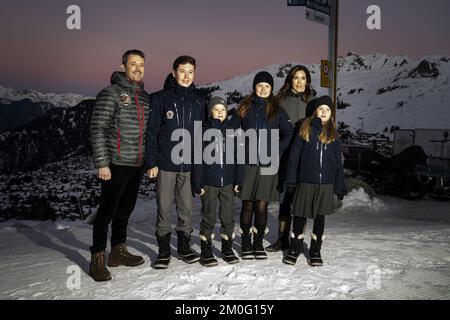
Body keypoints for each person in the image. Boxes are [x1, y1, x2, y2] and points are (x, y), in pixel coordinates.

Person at [89, 49, 150, 282]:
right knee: (106, 213)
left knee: (125, 211)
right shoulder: (110, 93)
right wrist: (102, 163)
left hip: (136, 164)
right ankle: (97, 257)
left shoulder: (144, 97)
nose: (138, 68)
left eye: (141, 64)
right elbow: (98, 129)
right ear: (123, 66)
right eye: (133, 64)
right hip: (115, 164)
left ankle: (118, 251)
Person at [145, 55, 206, 269]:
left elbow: (200, 136)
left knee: (186, 208)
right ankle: (163, 251)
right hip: (165, 164)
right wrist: (151, 162)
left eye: (190, 71)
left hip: (188, 166)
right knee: (163, 207)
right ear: (174, 72)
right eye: (182, 71)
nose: (186, 75)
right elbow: (151, 132)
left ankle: (183, 248)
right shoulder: (160, 98)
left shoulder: (199, 101)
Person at [283, 96, 347, 266]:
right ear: (315, 112)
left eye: (328, 109)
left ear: (332, 114)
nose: (324, 112)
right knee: (299, 216)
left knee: (320, 218)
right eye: (321, 109)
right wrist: (291, 180)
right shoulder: (305, 130)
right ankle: (294, 249)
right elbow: (294, 157)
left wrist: (339, 186)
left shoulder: (334, 135)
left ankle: (315, 251)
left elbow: (338, 165)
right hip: (305, 182)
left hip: (325, 184)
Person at [236, 71, 294, 259]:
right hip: (248, 163)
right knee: (247, 205)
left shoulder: (277, 110)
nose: (262, 89)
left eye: (267, 86)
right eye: (259, 85)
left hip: (268, 165)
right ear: (254, 87)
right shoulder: (244, 108)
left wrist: (276, 148)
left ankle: (258, 243)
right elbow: (230, 129)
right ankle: (245, 243)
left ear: (271, 89)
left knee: (261, 206)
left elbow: (289, 133)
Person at [267, 65, 316, 252]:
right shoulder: (280, 101)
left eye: (303, 78)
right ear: (290, 80)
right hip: (285, 157)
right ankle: (282, 239)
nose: (300, 81)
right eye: (296, 77)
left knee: (301, 201)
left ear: (308, 81)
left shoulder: (313, 102)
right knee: (284, 200)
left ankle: (297, 240)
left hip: (304, 158)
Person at [192, 96, 243, 266]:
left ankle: (227, 249)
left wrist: (238, 179)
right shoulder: (204, 131)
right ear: (210, 112)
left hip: (228, 182)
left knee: (228, 217)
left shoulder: (231, 131)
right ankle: (206, 250)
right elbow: (197, 159)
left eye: (223, 110)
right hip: (209, 183)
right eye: (216, 109)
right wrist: (198, 182)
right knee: (209, 216)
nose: (220, 113)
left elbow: (238, 157)